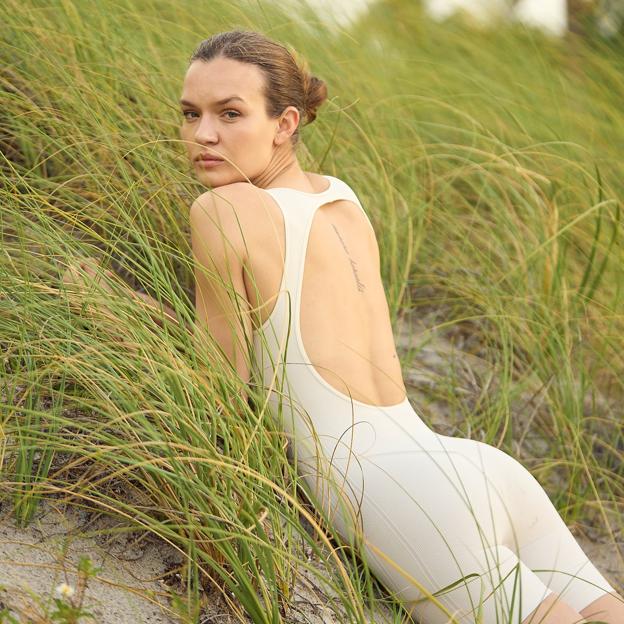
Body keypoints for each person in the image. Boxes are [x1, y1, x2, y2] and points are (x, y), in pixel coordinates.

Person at [66, 28, 623, 624]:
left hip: (393, 496)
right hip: (469, 464)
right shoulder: (342, 200)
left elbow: (215, 392)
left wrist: (108, 312)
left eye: (230, 113)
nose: (203, 134)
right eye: (190, 113)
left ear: (285, 123)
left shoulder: (222, 209)